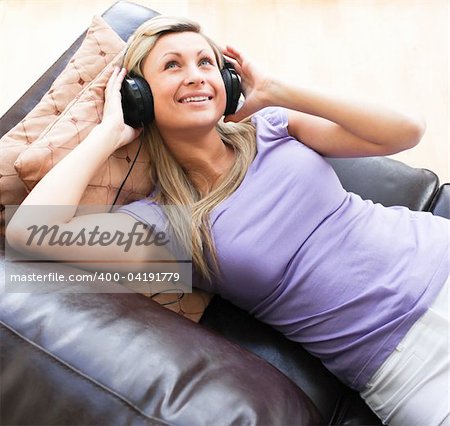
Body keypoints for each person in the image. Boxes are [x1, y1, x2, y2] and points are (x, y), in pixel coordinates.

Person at [6, 15, 449, 426]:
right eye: (173, 66)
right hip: (401, 361)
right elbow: (31, 233)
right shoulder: (166, 224)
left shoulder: (271, 127)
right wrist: (108, 133)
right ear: (139, 97)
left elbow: (406, 129)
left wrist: (275, 88)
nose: (197, 74)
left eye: (206, 62)